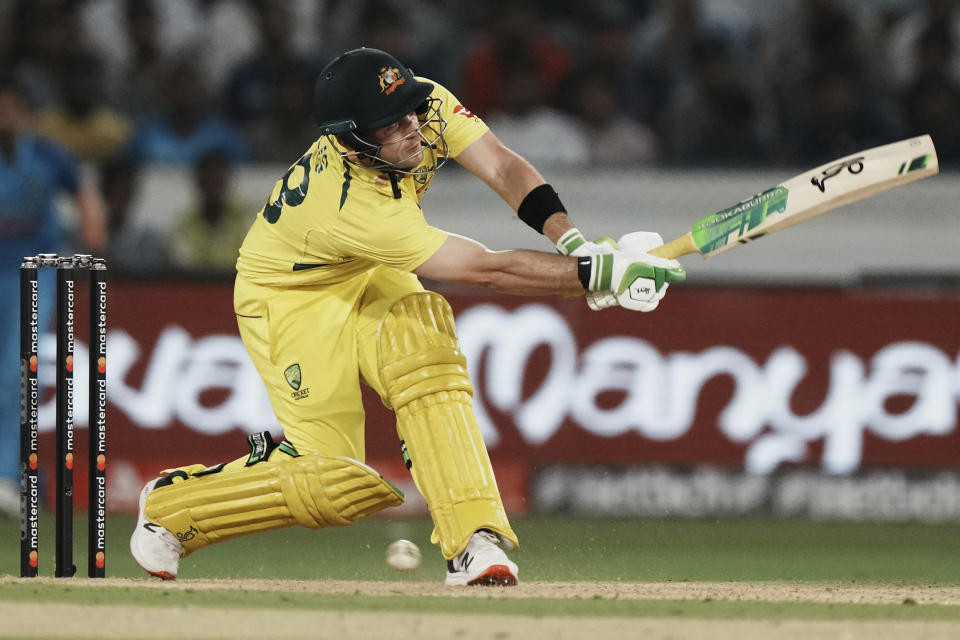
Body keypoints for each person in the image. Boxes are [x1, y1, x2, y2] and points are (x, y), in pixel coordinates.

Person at [128, 47, 684, 586]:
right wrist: (592, 276)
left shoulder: (423, 108)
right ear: (350, 142)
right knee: (330, 484)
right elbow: (485, 270)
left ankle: (474, 541)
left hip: (368, 269)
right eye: (389, 126)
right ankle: (174, 508)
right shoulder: (346, 202)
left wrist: (577, 244)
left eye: (410, 112)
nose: (411, 129)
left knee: (426, 346)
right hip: (290, 298)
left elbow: (503, 166)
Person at [0, 74, 106, 517]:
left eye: (9, 108)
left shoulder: (48, 155)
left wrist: (93, 234)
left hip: (33, 273)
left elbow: (83, 193)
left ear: (24, 114)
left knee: (14, 371)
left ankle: (8, 476)